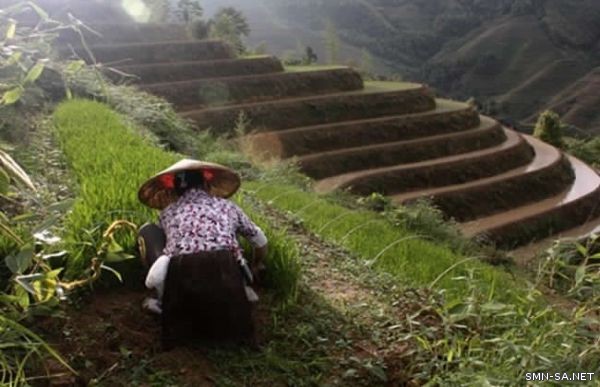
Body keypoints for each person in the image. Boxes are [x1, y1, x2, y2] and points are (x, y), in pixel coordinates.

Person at [137, 159, 268, 347]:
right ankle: (242, 291)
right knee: (232, 246)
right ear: (206, 184)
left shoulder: (168, 212)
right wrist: (257, 264)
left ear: (175, 191)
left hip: (182, 280)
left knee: (149, 232)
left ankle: (161, 299)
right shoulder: (227, 207)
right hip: (227, 272)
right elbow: (260, 241)